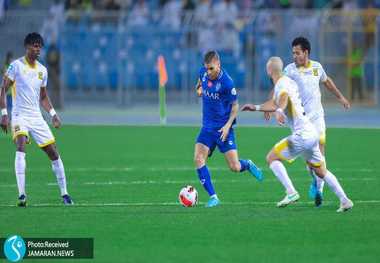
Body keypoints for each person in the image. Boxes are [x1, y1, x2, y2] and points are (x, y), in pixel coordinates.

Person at [242, 57, 353, 212]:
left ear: (269, 71)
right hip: (311, 132)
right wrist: (256, 107)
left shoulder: (281, 85)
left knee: (271, 158)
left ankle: (291, 192)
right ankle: (345, 200)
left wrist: (280, 111)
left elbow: (282, 99)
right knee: (321, 171)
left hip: (301, 135)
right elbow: (275, 102)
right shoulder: (288, 81)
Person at [0, 32, 73, 206]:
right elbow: (3, 89)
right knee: (20, 144)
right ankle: (22, 195)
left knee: (53, 152)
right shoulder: (15, 66)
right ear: (27, 47)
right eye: (34, 45)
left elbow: (43, 97)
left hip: (36, 117)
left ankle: (65, 194)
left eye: (40, 45)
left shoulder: (42, 70)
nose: (38, 48)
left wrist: (53, 114)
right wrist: (4, 114)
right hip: (19, 115)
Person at [282, 37, 350, 207]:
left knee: (321, 153)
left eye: (297, 53)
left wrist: (340, 97)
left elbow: (327, 82)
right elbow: (279, 88)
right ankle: (314, 179)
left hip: (317, 118)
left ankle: (319, 190)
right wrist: (276, 109)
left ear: (306, 52)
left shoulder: (317, 67)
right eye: (293, 53)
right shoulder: (289, 70)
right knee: (310, 162)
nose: (294, 56)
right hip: (300, 122)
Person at [194, 50, 263, 208]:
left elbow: (235, 106)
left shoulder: (227, 82)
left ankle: (248, 164)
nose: (208, 72)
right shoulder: (203, 73)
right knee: (198, 159)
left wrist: (227, 126)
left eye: (211, 68)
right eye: (206, 68)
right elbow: (198, 84)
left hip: (223, 129)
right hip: (207, 128)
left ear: (218, 64)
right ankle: (213, 197)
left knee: (234, 167)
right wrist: (198, 90)